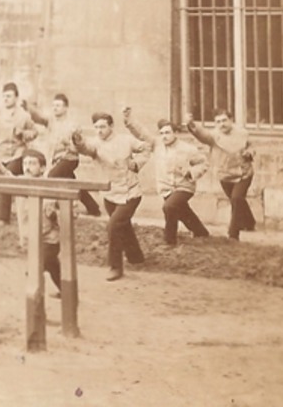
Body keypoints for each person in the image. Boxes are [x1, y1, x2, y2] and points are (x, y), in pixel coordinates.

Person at [71, 111, 151, 280]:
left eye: (103, 126)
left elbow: (146, 147)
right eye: (96, 127)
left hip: (130, 193)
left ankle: (115, 267)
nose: (99, 130)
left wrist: (136, 163)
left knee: (114, 226)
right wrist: (78, 141)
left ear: (111, 126)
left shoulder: (126, 140)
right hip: (110, 194)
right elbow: (86, 148)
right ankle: (136, 257)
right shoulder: (95, 143)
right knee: (123, 225)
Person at [124, 110, 210, 246]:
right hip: (166, 188)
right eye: (162, 133)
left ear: (175, 133)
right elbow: (142, 133)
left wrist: (191, 171)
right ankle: (201, 232)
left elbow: (204, 163)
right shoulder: (157, 145)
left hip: (184, 186)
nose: (164, 136)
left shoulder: (188, 149)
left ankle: (170, 241)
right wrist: (129, 120)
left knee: (169, 207)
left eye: (168, 132)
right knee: (182, 211)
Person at [24, 93, 102, 217]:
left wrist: (68, 142)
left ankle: (52, 207)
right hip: (57, 160)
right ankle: (93, 208)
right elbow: (38, 118)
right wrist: (28, 107)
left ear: (66, 108)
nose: (55, 108)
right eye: (54, 105)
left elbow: (78, 144)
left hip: (69, 158)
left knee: (52, 176)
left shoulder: (73, 125)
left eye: (58, 106)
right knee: (72, 184)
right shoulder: (50, 122)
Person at [185, 110, 256, 240]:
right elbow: (202, 134)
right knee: (237, 200)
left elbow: (251, 146)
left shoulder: (242, 133)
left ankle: (233, 235)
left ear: (231, 120)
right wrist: (191, 124)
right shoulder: (213, 136)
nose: (222, 124)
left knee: (236, 199)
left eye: (224, 120)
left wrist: (249, 153)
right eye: (218, 121)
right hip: (225, 175)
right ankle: (249, 222)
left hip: (243, 173)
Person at [0, 83, 38, 224]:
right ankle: (23, 210)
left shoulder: (24, 116)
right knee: (6, 181)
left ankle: (3, 218)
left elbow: (35, 132)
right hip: (0, 154)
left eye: (9, 96)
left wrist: (24, 134)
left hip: (17, 153)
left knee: (6, 179)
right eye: (4, 96)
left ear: (16, 97)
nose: (6, 99)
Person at [16, 149, 62, 294]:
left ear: (42, 168)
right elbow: (2, 175)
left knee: (37, 268)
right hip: (31, 237)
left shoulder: (49, 186)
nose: (27, 167)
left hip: (49, 238)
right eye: (25, 163)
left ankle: (36, 309)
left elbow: (68, 212)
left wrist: (54, 214)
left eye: (32, 163)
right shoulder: (20, 183)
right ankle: (67, 292)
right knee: (52, 266)